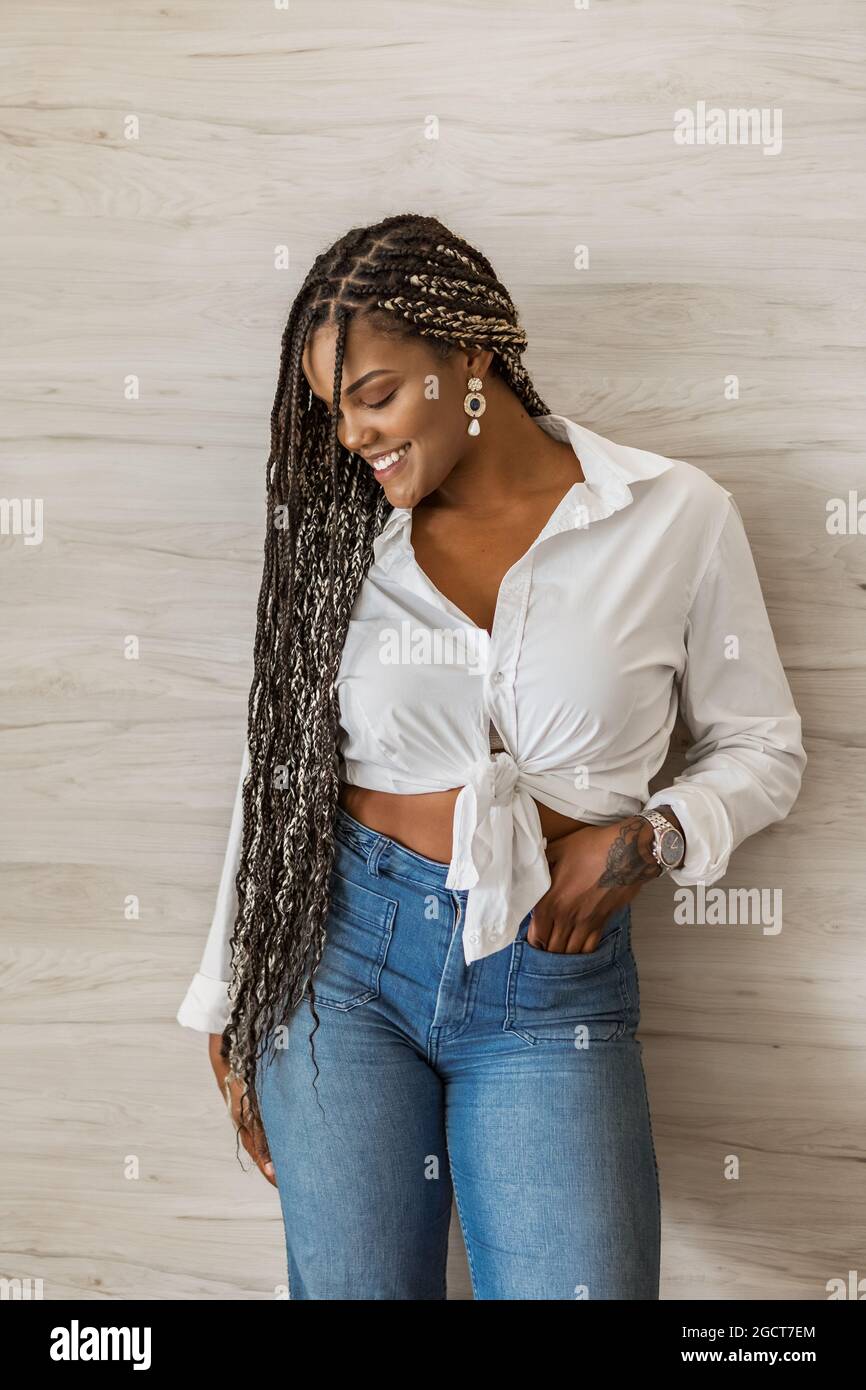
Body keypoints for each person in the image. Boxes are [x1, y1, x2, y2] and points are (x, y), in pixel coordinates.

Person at [176, 212, 806, 1299]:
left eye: (373, 395)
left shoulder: (669, 516)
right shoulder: (341, 544)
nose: (351, 439)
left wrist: (648, 838)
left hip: (547, 979)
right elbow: (275, 768)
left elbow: (761, 746)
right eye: (333, 413)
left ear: (468, 353)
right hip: (337, 963)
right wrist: (229, 988)